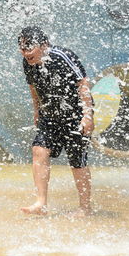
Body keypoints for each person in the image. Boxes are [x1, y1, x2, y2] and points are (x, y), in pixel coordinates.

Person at [18, 26, 95, 217]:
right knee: (39, 150)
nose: (25, 52)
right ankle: (41, 203)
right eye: (22, 47)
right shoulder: (28, 62)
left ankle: (85, 207)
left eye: (29, 47)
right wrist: (37, 110)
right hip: (50, 116)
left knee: (77, 162)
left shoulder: (62, 56)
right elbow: (33, 87)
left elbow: (83, 83)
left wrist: (87, 115)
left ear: (43, 45)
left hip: (75, 116)